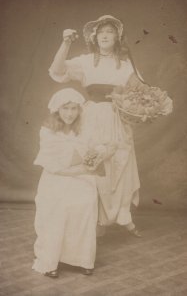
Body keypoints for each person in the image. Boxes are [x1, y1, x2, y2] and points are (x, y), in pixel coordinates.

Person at [48, 15, 142, 237]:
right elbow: (57, 70)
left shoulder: (127, 65)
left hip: (118, 118)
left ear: (117, 37)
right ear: (94, 38)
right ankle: (96, 219)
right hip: (93, 116)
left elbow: (141, 93)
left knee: (121, 163)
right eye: (101, 33)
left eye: (109, 32)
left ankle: (123, 216)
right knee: (94, 162)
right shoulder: (86, 61)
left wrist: (134, 105)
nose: (105, 36)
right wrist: (66, 43)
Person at [32, 88, 99, 278]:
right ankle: (51, 258)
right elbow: (54, 166)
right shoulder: (47, 132)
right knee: (59, 209)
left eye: (74, 109)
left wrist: (100, 153)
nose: (70, 113)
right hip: (57, 179)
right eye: (65, 109)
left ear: (79, 110)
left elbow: (94, 149)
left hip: (82, 179)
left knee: (84, 208)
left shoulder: (85, 130)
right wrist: (83, 169)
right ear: (57, 110)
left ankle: (81, 258)